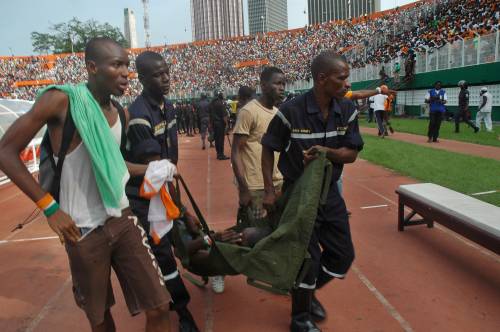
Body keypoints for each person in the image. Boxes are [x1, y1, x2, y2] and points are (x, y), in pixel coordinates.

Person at [0, 37, 171, 332]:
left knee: (159, 306)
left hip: (121, 218)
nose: (125, 73)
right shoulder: (61, 101)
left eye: (127, 66)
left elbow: (114, 167)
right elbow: (5, 151)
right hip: (82, 230)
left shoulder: (121, 113)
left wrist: (154, 169)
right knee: (100, 318)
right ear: (92, 67)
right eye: (116, 65)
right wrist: (49, 207)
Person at [261, 50, 363, 332]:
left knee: (343, 255)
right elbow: (268, 147)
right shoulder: (291, 111)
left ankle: (304, 294)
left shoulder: (347, 110)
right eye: (341, 78)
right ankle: (300, 318)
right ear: (321, 79)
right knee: (308, 257)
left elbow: (351, 153)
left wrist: (327, 152)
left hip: (329, 193)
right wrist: (269, 190)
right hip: (298, 196)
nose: (347, 84)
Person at [125, 51, 199, 332]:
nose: (166, 78)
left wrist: (182, 211)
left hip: (161, 191)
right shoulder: (140, 117)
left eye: (166, 71)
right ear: (142, 79)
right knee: (163, 255)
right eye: (157, 74)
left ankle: (171, 297)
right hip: (144, 199)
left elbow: (168, 168)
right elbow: (156, 173)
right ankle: (182, 314)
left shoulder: (167, 106)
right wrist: (183, 211)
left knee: (181, 242)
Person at [210, 93, 229, 160]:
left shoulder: (213, 103)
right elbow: (224, 115)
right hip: (220, 124)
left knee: (217, 139)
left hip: (214, 123)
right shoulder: (221, 104)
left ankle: (218, 153)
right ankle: (221, 154)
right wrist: (226, 124)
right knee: (221, 139)